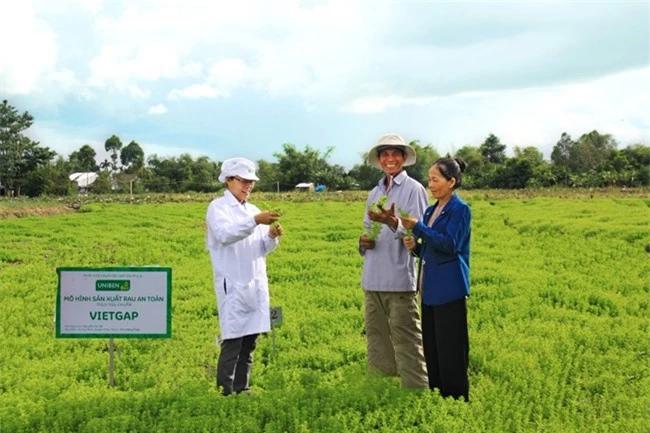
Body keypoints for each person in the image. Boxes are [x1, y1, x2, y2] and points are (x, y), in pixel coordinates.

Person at [206, 157, 284, 396]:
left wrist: (271, 236)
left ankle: (243, 388)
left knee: (250, 340)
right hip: (233, 285)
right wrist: (254, 222)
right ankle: (225, 392)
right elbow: (225, 235)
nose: (248, 186)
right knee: (232, 341)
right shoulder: (218, 208)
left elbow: (263, 249)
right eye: (243, 180)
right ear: (228, 180)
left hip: (255, 283)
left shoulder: (253, 210)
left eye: (251, 182)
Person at [358, 133, 429, 389]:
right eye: (385, 154)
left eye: (395, 154)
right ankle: (380, 389)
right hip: (373, 277)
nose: (390, 159)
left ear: (403, 158)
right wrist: (363, 242)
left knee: (407, 339)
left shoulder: (414, 190)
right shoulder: (374, 192)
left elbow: (420, 233)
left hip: (399, 279)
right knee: (377, 339)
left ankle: (416, 390)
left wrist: (391, 221)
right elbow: (367, 231)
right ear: (379, 160)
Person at [400, 157, 471, 401]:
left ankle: (456, 399)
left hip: (449, 289)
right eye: (429, 179)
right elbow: (431, 249)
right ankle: (437, 393)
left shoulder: (460, 210)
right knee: (432, 346)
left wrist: (419, 229)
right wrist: (414, 247)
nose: (430, 185)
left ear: (451, 182)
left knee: (451, 348)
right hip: (429, 288)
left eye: (435, 179)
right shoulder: (432, 210)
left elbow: (451, 245)